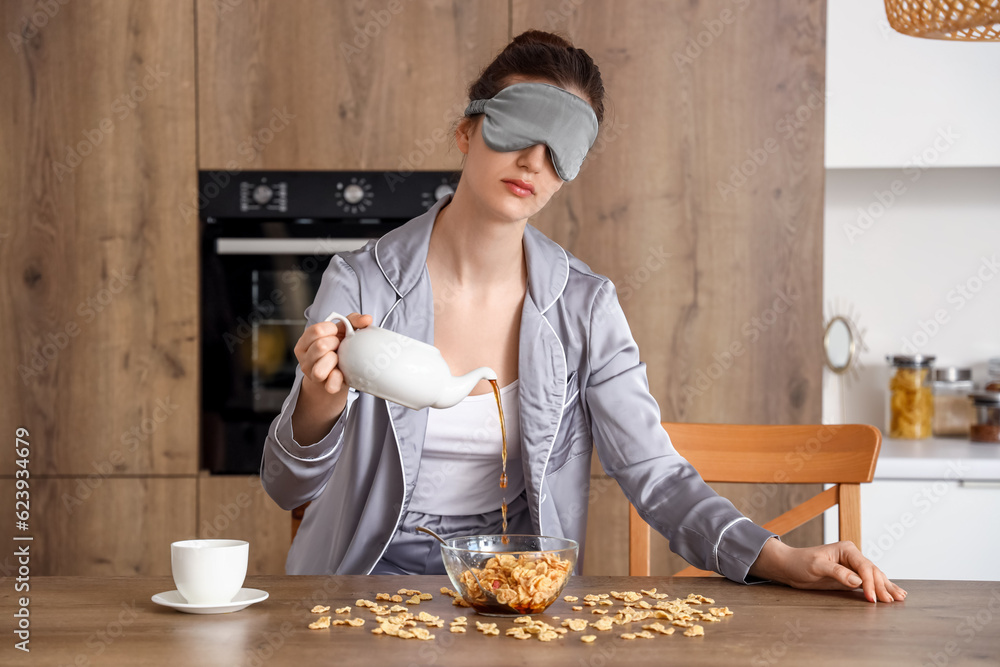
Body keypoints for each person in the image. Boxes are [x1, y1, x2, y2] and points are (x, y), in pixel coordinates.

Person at [261, 30, 906, 604]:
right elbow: (286, 487)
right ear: (467, 131)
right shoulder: (362, 282)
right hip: (358, 595)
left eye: (560, 146)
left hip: (509, 599)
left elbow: (655, 474)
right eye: (518, 129)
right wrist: (318, 402)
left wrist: (782, 558)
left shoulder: (585, 307)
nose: (535, 162)